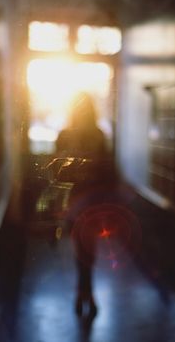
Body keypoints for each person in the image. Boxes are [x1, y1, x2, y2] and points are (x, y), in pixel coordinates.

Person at [56, 92, 108, 318]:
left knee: (83, 251)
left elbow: (56, 172)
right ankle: (87, 293)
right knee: (87, 251)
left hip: (80, 200)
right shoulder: (96, 135)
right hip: (88, 201)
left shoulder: (66, 135)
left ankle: (84, 294)